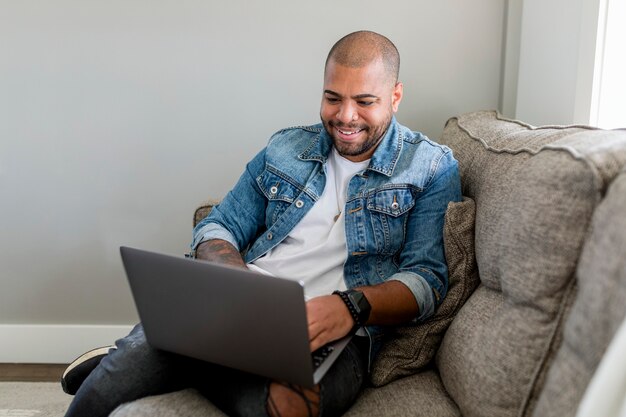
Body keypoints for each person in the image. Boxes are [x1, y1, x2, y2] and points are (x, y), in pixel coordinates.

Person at [63, 30, 461, 417]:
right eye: (332, 98)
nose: (345, 116)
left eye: (364, 101)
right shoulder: (285, 148)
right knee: (110, 385)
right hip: (240, 309)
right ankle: (144, 355)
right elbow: (217, 226)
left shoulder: (430, 167)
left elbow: (426, 280)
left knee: (286, 406)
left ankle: (162, 356)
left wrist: (350, 306)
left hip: (338, 335)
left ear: (395, 96)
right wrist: (239, 286)